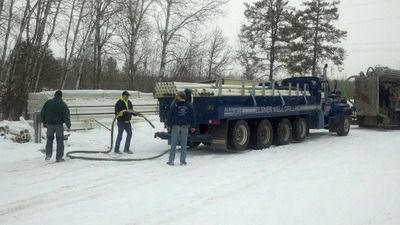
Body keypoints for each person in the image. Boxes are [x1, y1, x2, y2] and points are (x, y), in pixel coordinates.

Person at [166, 91, 195, 166]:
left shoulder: (174, 105)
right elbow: (192, 117)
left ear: (180, 97)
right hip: (185, 126)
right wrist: (192, 126)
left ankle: (171, 161)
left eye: (177, 96)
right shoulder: (189, 106)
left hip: (176, 126)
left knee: (173, 144)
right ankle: (183, 161)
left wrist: (168, 125)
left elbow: (170, 116)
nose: (176, 97)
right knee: (183, 144)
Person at [40, 90, 71, 162]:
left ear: (54, 95)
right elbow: (66, 115)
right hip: (58, 125)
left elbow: (42, 113)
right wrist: (68, 125)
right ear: (61, 96)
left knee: (49, 140)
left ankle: (48, 155)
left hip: (50, 125)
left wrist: (44, 122)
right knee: (60, 141)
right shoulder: (63, 104)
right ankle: (59, 157)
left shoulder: (48, 103)